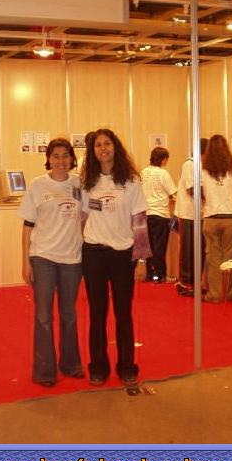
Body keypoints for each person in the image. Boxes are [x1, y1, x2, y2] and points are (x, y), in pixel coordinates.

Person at [81, 128, 151, 386]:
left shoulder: (131, 182)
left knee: (123, 313)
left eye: (107, 143)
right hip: (94, 253)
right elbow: (82, 218)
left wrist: (141, 260)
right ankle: (98, 367)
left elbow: (140, 223)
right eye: (98, 145)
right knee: (97, 313)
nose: (103, 148)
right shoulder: (86, 182)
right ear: (93, 151)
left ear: (115, 147)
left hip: (123, 255)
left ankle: (127, 366)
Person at [18, 138, 85, 387]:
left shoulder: (79, 184)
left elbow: (89, 216)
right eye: (55, 156)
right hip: (43, 257)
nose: (60, 160)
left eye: (65, 155)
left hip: (72, 258)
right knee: (43, 316)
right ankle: (45, 371)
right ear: (48, 159)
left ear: (72, 158)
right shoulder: (37, 185)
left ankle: (71, 364)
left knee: (69, 314)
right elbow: (27, 226)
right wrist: (25, 261)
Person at [195, 135, 232, 302]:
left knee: (213, 258)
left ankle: (215, 294)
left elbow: (198, 190)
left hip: (211, 217)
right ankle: (229, 293)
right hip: (231, 216)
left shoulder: (203, 168)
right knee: (229, 257)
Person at [174, 137, 209, 296]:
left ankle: (196, 281)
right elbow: (192, 189)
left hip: (200, 214)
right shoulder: (190, 164)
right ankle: (185, 282)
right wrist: (211, 197)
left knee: (199, 250)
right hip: (188, 214)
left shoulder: (203, 165)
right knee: (188, 250)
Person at [141, 146, 177, 283]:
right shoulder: (163, 173)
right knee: (159, 247)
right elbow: (173, 191)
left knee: (149, 246)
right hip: (160, 213)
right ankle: (160, 276)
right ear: (163, 159)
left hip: (146, 213)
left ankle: (150, 275)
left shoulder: (144, 172)